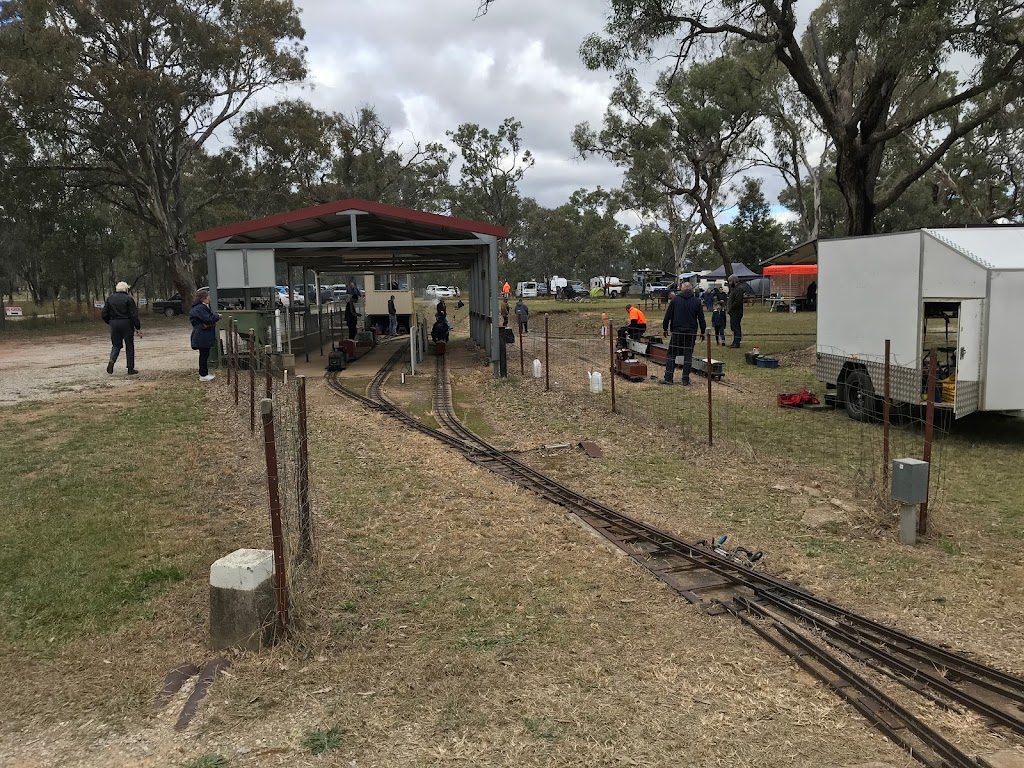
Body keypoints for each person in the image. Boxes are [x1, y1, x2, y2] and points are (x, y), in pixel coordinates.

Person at [661, 281, 706, 385]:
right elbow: (701, 319)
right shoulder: (697, 301)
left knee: (672, 354)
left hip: (677, 331)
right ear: (691, 290)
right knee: (688, 355)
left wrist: (665, 328)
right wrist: (702, 332)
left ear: (681, 289)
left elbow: (667, 316)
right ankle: (685, 379)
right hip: (691, 332)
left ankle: (668, 378)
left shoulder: (675, 300)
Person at [101, 281, 142, 375]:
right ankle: (130, 368)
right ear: (126, 289)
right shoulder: (128, 299)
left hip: (114, 323)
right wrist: (138, 327)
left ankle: (112, 360)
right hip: (126, 324)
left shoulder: (110, 299)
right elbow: (133, 315)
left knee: (116, 345)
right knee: (129, 346)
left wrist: (110, 321)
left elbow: (104, 313)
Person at [189, 289, 221, 381]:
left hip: (202, 334)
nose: (209, 299)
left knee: (204, 354)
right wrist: (217, 317)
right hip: (202, 335)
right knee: (203, 355)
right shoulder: (200, 308)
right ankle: (203, 374)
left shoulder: (201, 308)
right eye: (208, 297)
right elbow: (208, 319)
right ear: (203, 298)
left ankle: (204, 373)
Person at [727, 275, 744, 348]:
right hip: (733, 312)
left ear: (734, 281)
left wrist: (731, 308)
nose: (730, 283)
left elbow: (738, 301)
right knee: (733, 326)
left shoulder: (739, 289)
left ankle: (737, 342)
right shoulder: (734, 289)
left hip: (736, 312)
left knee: (736, 327)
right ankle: (735, 341)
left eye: (731, 282)